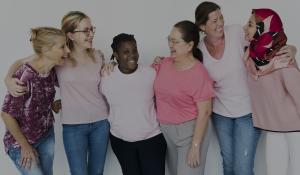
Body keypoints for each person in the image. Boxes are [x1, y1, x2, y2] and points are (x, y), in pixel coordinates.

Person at [194, 2, 297, 175]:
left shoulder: (234, 32)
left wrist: (292, 49)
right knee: (228, 164)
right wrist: (161, 62)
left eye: (221, 17)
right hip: (221, 114)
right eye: (214, 20)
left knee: (242, 168)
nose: (220, 22)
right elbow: (185, 64)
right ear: (202, 26)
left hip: (248, 112)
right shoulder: (199, 50)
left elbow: (266, 38)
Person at [4, 11, 110, 175]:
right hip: (71, 127)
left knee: (97, 172)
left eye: (92, 29)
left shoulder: (96, 56)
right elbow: (25, 62)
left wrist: (114, 62)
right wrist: (7, 78)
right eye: (86, 30)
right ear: (71, 35)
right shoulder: (58, 60)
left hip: (98, 123)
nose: (91, 34)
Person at [1, 27, 69, 175]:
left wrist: (53, 104)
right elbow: (6, 114)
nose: (68, 51)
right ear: (46, 50)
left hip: (46, 135)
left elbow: (39, 97)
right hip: (20, 143)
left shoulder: (51, 70)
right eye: (63, 47)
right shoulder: (25, 75)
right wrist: (25, 146)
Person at [153, 20, 215, 175]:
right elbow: (138, 78)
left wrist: (195, 146)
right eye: (169, 39)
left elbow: (205, 112)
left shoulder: (199, 74)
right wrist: (112, 64)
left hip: (190, 132)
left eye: (175, 41)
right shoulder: (163, 64)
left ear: (189, 46)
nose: (170, 45)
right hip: (166, 132)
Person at [243, 8, 300, 175]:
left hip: (295, 129)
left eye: (251, 24)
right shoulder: (251, 55)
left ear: (265, 29)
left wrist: (293, 50)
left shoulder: (283, 59)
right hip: (273, 127)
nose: (245, 27)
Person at [101, 33, 166, 175]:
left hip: (152, 139)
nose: (132, 55)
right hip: (121, 141)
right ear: (116, 55)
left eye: (134, 50)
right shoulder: (106, 77)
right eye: (125, 52)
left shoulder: (150, 74)